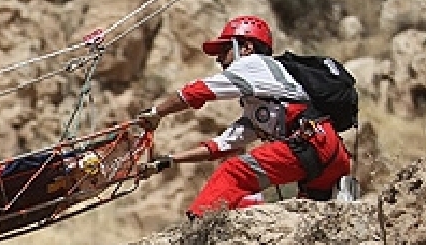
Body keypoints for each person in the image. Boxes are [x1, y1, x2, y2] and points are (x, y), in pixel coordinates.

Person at [134, 15, 351, 218]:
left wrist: (156, 112)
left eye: (225, 49)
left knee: (233, 173)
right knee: (312, 223)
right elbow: (222, 145)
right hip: (330, 153)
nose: (219, 58)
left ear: (246, 47)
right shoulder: (265, 98)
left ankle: (193, 232)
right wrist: (169, 161)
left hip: (311, 144)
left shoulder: (252, 65)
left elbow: (198, 92)